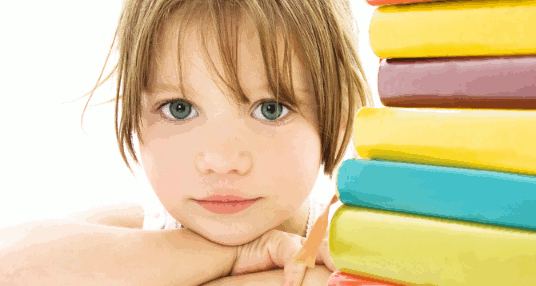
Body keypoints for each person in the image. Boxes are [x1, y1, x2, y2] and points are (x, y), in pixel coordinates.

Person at [0, 0, 370, 285]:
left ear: (336, 117)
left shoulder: (353, 242)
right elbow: (10, 262)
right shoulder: (153, 228)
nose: (221, 160)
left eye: (270, 109)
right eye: (179, 109)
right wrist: (229, 255)